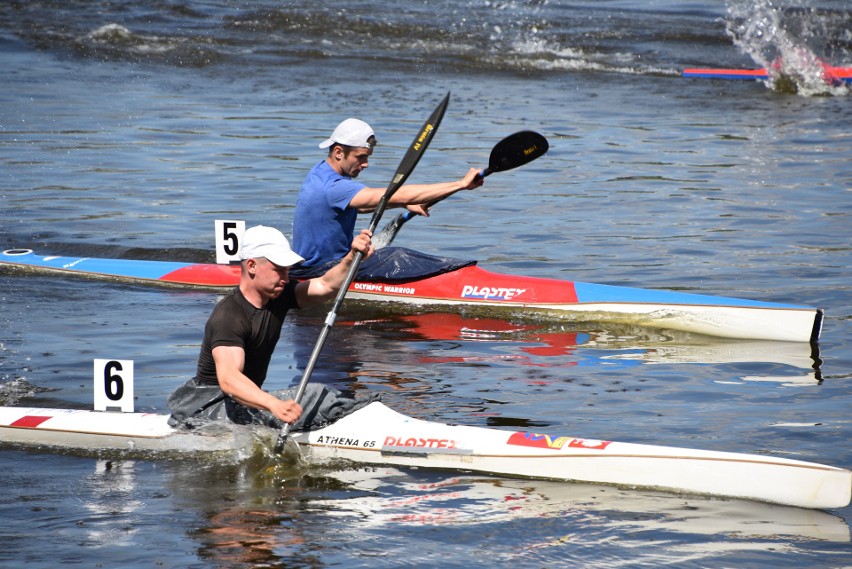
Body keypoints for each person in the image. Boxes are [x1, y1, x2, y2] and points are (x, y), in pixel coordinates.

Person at [167, 224, 377, 430]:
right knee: (314, 394)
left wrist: (352, 258)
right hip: (208, 409)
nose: (286, 279)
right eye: (279, 270)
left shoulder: (278, 295)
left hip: (243, 401)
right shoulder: (229, 316)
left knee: (318, 395)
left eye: (287, 271)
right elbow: (229, 379)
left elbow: (326, 285)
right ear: (251, 266)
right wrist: (274, 404)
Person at [291, 117, 484, 276]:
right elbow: (390, 195)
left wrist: (404, 204)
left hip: (316, 266)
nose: (366, 164)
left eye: (368, 157)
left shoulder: (320, 172)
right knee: (396, 255)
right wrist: (459, 185)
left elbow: (362, 204)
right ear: (339, 152)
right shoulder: (333, 187)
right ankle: (465, 279)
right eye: (361, 157)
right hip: (322, 272)